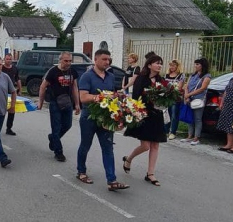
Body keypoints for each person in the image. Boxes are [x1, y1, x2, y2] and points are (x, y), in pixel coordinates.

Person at [76, 49, 129, 191]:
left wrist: (121, 102)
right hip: (89, 117)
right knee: (85, 145)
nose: (107, 62)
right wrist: (101, 97)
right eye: (104, 59)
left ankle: (112, 180)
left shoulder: (110, 76)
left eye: (108, 60)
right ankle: (81, 171)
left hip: (106, 118)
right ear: (96, 59)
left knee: (108, 148)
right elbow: (83, 98)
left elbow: (113, 94)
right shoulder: (86, 76)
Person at [122, 55, 167, 186]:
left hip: (157, 115)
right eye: (157, 63)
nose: (159, 66)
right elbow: (136, 97)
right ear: (149, 65)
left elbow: (165, 96)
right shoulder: (141, 79)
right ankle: (128, 159)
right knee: (145, 146)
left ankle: (150, 174)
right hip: (144, 114)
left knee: (155, 145)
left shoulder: (161, 80)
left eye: (160, 64)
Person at [38, 51, 80, 162]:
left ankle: (53, 138)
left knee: (68, 125)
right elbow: (43, 87)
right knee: (56, 128)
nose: (68, 63)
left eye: (70, 61)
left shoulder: (72, 72)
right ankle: (59, 152)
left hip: (67, 103)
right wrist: (40, 102)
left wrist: (77, 104)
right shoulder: (53, 71)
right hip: (55, 103)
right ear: (60, 60)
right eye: (66, 61)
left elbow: (75, 88)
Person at [181, 58, 211, 145]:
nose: (196, 66)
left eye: (198, 64)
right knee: (190, 117)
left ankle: (196, 137)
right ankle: (189, 135)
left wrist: (189, 94)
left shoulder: (206, 76)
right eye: (195, 64)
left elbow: (202, 88)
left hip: (198, 99)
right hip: (189, 98)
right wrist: (186, 95)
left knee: (198, 118)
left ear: (202, 65)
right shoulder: (192, 75)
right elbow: (186, 85)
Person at [164, 59, 185, 140]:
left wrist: (169, 88)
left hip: (175, 98)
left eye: (173, 65)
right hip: (167, 97)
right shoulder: (167, 75)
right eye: (170, 65)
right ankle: (165, 131)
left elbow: (179, 87)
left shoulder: (180, 75)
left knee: (174, 115)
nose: (171, 67)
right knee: (167, 114)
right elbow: (164, 84)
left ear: (177, 66)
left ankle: (173, 132)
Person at [1, 54, 22, 136]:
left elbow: (17, 79)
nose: (9, 61)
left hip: (12, 92)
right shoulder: (1, 68)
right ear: (4, 59)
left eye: (10, 59)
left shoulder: (14, 68)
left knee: (12, 110)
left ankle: (9, 128)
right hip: (2, 92)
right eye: (7, 59)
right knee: (2, 110)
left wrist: (19, 90)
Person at [216, 76, 233, 152]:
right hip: (228, 105)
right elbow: (226, 91)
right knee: (228, 125)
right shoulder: (231, 79)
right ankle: (229, 144)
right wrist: (222, 102)